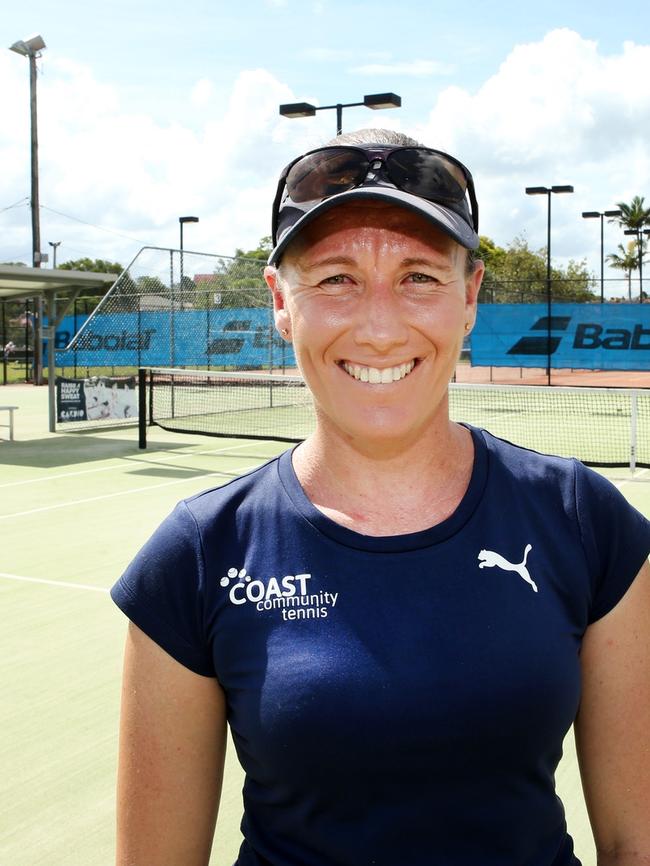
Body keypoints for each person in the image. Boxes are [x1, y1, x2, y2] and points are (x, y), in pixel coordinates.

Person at [111, 129, 650, 866]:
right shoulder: (198, 554)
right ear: (279, 301)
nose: (379, 325)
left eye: (420, 276)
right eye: (335, 278)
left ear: (470, 297)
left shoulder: (587, 523)